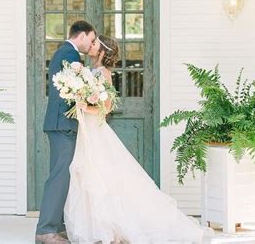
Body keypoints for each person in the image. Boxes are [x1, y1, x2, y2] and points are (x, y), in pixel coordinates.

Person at [64, 35, 208, 244]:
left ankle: (110, 228)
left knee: (102, 177)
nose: (91, 45)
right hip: (88, 131)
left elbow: (107, 107)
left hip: (97, 131)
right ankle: (98, 227)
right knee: (92, 176)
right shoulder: (91, 72)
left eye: (95, 44)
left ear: (103, 51)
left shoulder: (103, 73)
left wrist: (86, 106)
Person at [35, 20, 101, 244]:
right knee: (59, 176)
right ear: (81, 35)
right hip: (62, 124)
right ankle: (46, 230)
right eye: (91, 40)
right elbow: (71, 90)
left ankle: (58, 226)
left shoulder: (65, 53)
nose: (91, 44)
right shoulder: (70, 55)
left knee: (65, 176)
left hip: (62, 124)